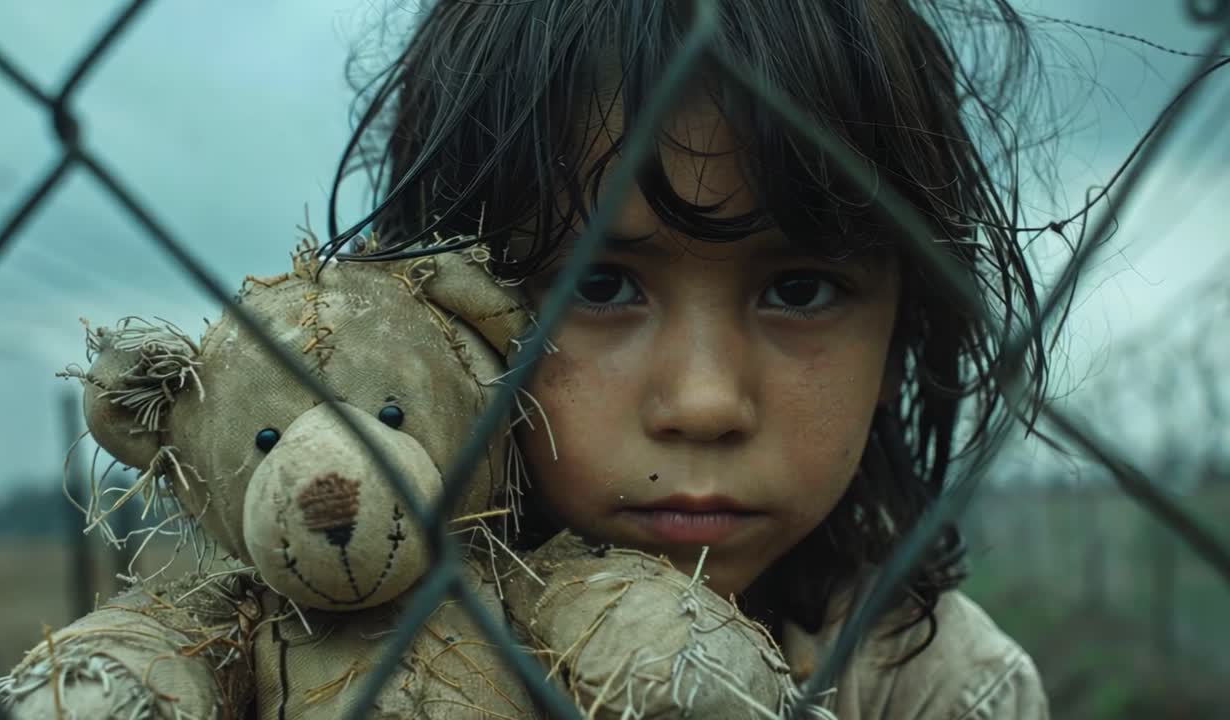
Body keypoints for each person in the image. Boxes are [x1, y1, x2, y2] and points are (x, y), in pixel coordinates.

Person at [328, 1, 1054, 717]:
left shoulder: (938, 689)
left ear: (903, 339)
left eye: (799, 291)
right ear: (444, 315)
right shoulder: (322, 650)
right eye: (598, 283)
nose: (705, 403)